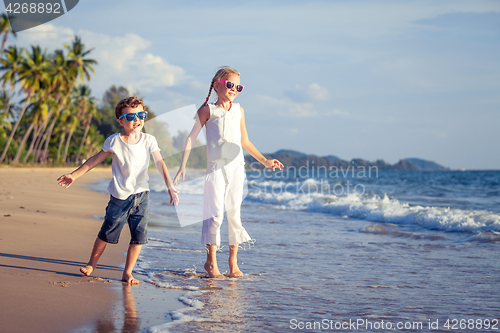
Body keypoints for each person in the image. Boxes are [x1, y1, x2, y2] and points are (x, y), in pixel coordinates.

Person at [173, 67, 283, 278]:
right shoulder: (208, 110)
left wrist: (265, 161)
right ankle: (211, 262)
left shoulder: (239, 110)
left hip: (236, 168)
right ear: (216, 85)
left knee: (234, 214)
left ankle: (233, 263)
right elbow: (190, 138)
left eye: (238, 87)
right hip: (215, 168)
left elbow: (245, 142)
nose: (234, 89)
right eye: (230, 85)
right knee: (214, 215)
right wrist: (182, 166)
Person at [57, 97, 179, 284]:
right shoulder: (114, 141)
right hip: (119, 197)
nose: (136, 119)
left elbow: (159, 163)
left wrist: (170, 185)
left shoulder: (149, 140)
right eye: (130, 116)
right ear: (121, 121)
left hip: (142, 196)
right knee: (107, 233)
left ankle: (128, 272)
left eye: (141, 115)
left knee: (139, 237)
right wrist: (74, 175)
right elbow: (94, 160)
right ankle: (91, 264)